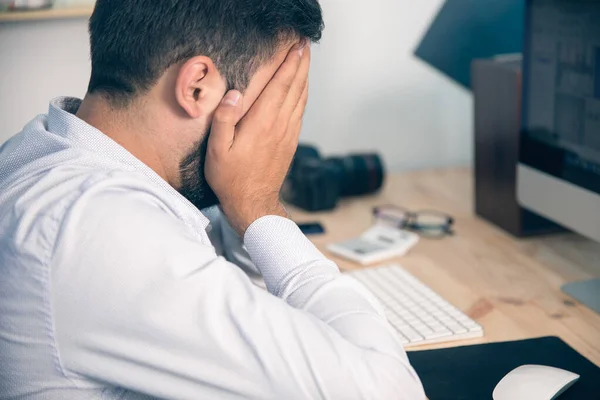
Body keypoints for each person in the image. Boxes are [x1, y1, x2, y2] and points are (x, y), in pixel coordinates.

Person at [0, 1, 425, 399]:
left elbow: (231, 293)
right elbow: (390, 391)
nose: (276, 125)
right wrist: (261, 207)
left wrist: (245, 209)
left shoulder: (42, 151)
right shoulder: (98, 230)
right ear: (198, 87)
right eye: (274, 97)